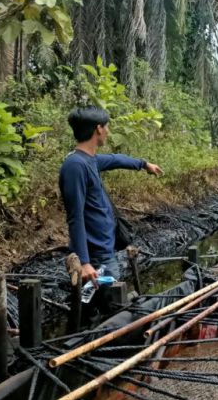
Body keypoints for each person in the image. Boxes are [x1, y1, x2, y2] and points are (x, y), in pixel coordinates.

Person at [59, 106, 163, 290]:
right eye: (107, 127)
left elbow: (116, 160)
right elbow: (75, 217)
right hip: (96, 256)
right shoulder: (75, 166)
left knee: (102, 303)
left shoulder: (90, 160)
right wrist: (84, 262)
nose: (108, 132)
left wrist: (144, 164)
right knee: (109, 306)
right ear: (98, 129)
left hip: (105, 249)